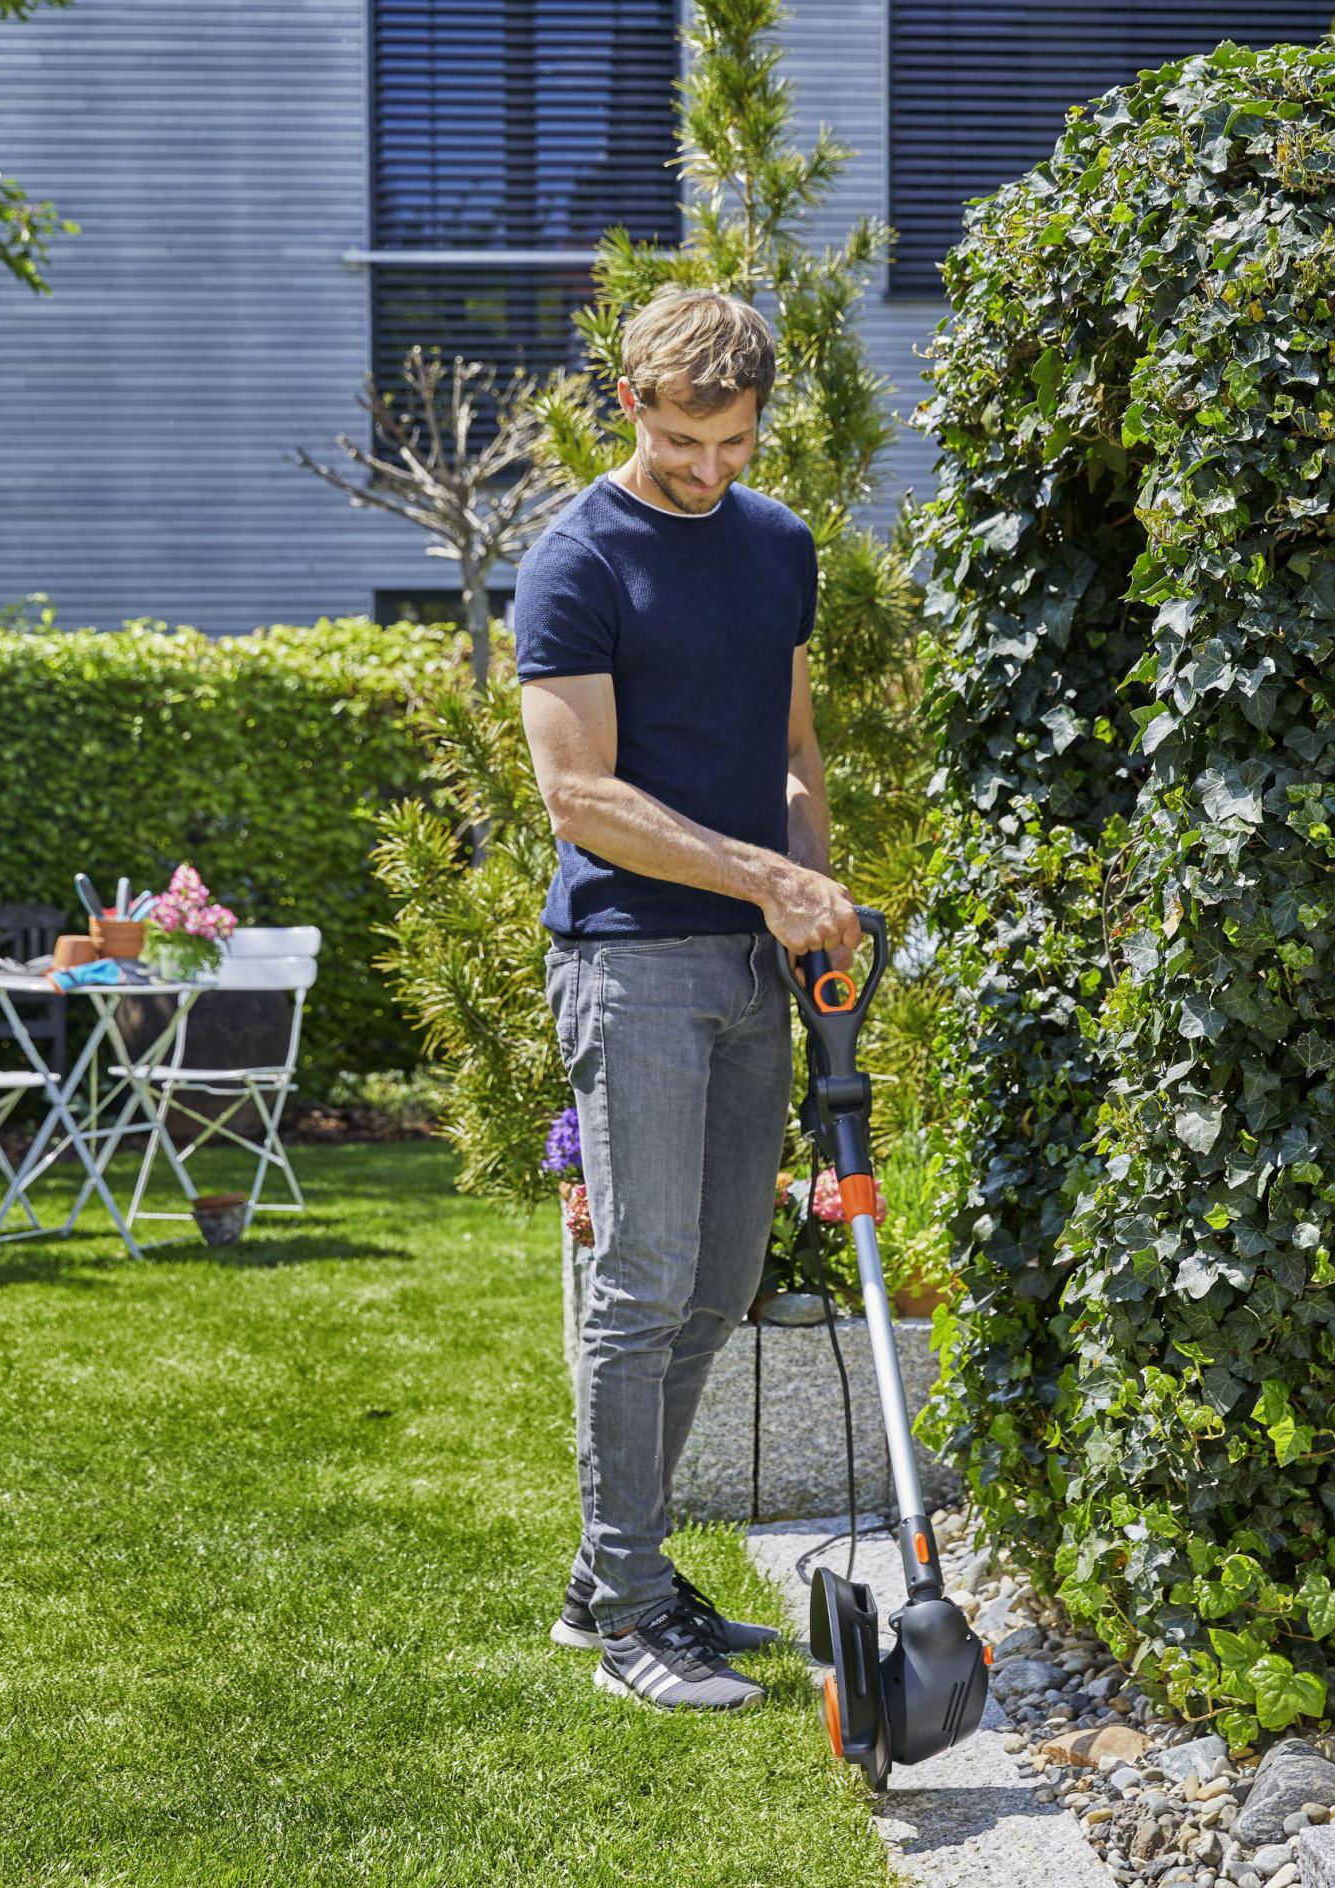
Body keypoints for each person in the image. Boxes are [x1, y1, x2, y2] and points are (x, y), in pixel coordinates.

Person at [514, 286, 862, 1712]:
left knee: (721, 1280)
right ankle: (626, 1612)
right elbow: (577, 797)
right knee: (643, 1281)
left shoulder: (778, 547)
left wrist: (815, 902)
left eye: (736, 441)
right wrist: (757, 882)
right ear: (630, 408)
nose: (710, 470)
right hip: (630, 962)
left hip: (745, 968)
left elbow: (790, 749)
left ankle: (617, 1576)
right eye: (683, 443)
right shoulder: (577, 558)